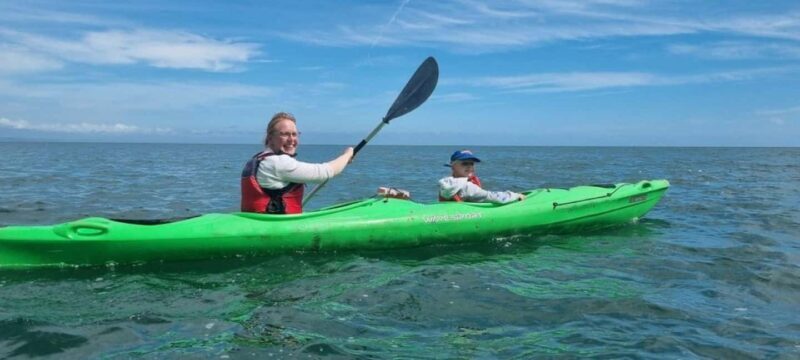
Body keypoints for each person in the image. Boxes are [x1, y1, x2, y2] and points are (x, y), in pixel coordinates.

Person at [241, 112, 353, 214]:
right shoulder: (277, 163)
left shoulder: (260, 158)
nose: (291, 139)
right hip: (277, 225)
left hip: (261, 219)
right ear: (270, 138)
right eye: (285, 134)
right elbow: (325, 172)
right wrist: (347, 155)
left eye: (294, 134)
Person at [438, 150, 525, 204]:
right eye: (465, 163)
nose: (469, 166)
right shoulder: (467, 187)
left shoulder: (447, 184)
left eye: (471, 163)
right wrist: (515, 196)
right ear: (453, 167)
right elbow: (492, 197)